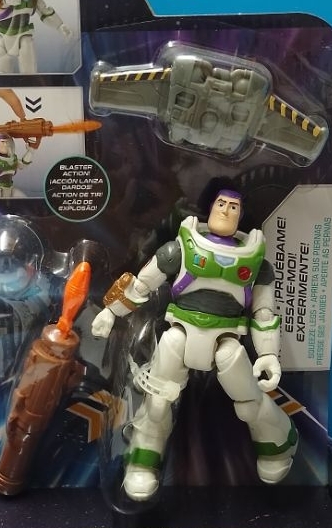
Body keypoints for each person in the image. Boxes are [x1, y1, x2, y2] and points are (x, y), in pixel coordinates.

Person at [91, 186, 298, 501]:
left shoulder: (257, 261)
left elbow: (264, 313)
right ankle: (143, 457)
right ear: (210, 208)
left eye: (233, 207)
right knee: (158, 401)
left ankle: (278, 439)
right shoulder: (179, 249)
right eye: (221, 204)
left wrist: (268, 353)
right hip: (181, 331)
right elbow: (141, 285)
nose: (226, 210)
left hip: (227, 338)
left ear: (241, 215)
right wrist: (110, 312)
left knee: (247, 400)